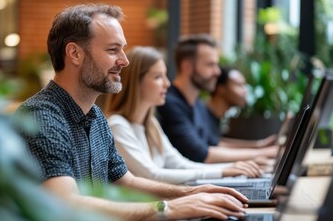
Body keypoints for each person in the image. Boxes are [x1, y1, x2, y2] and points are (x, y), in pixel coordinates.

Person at [15, 4, 249, 220]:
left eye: (123, 50)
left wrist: (191, 192)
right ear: (75, 54)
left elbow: (125, 182)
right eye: (112, 50)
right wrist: (169, 208)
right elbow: (64, 203)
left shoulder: (95, 117)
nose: (124, 61)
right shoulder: (42, 117)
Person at [105, 46, 262, 185]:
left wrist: (230, 168)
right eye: (158, 77)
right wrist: (223, 171)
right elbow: (153, 175)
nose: (167, 84)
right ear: (136, 82)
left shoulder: (151, 124)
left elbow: (180, 164)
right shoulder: (117, 125)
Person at [157, 34, 278, 164]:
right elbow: (202, 154)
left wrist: (259, 146)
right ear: (187, 67)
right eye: (210, 65)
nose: (217, 72)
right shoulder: (170, 103)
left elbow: (215, 144)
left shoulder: (196, 103)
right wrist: (266, 153)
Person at [204, 66, 277, 149]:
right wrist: (262, 150)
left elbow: (217, 142)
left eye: (244, 85)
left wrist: (260, 145)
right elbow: (211, 147)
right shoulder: (201, 115)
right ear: (221, 89)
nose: (245, 90)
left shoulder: (215, 116)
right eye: (239, 85)